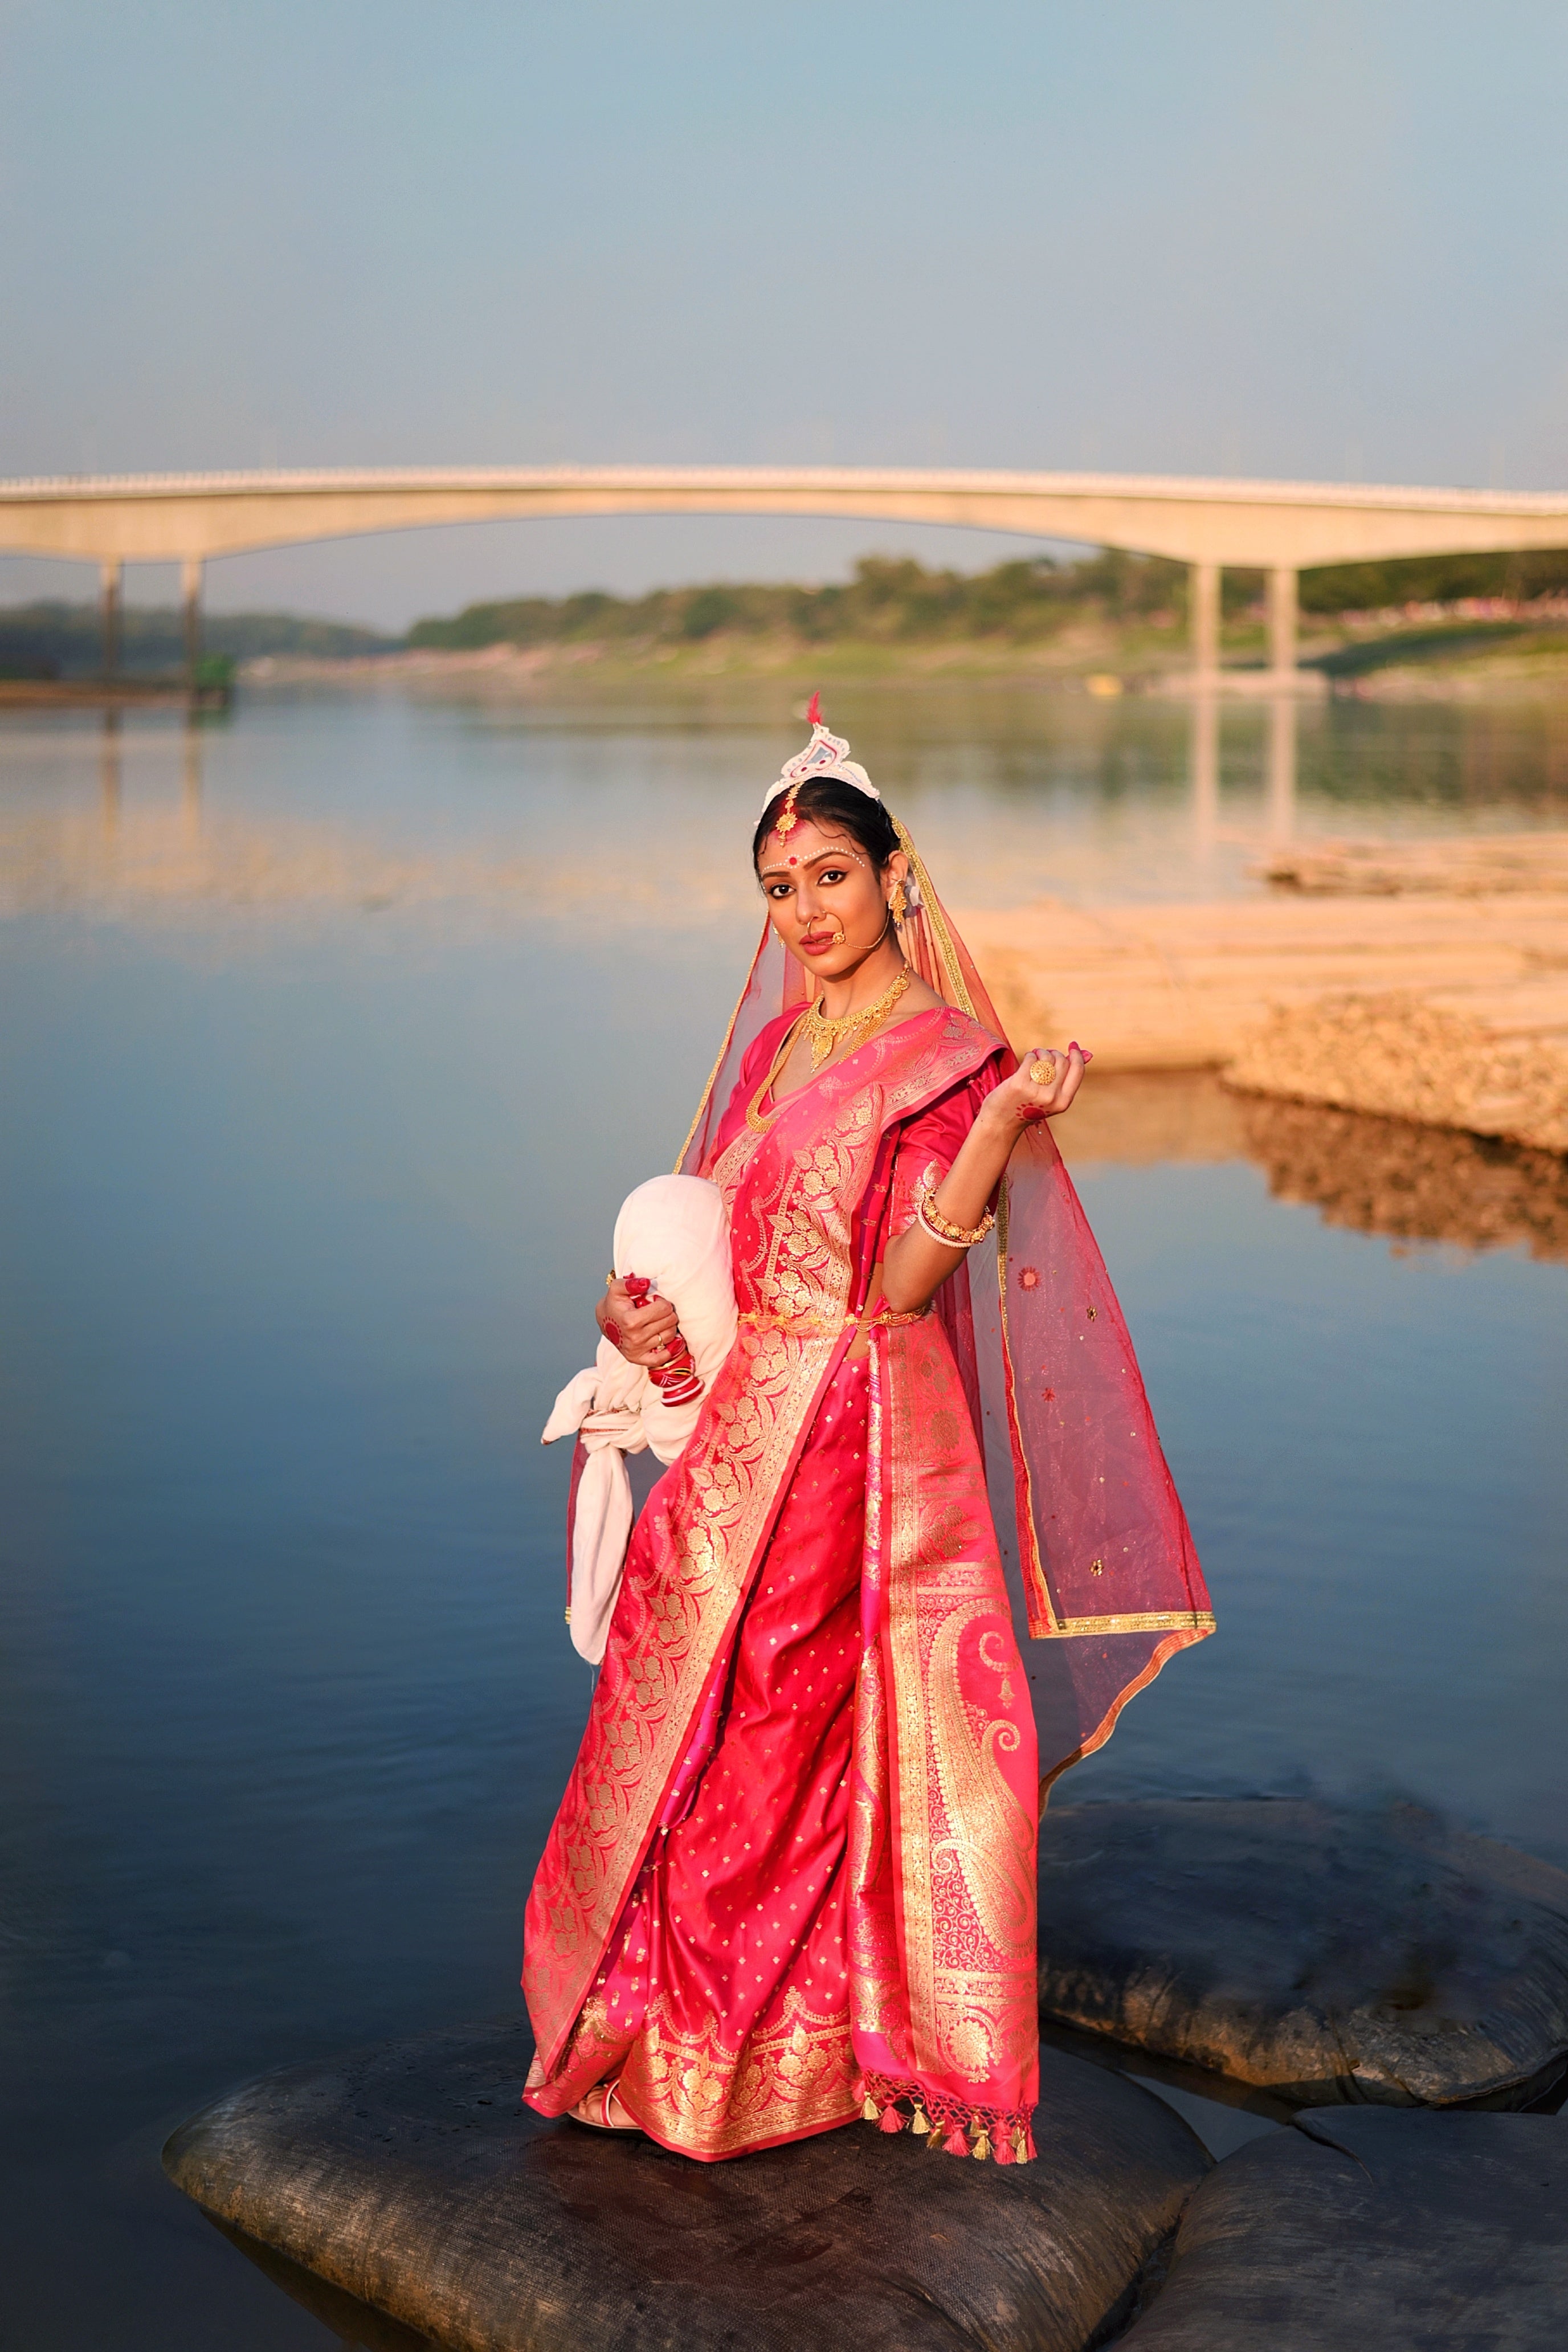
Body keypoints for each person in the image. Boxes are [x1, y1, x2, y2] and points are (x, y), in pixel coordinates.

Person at [522, 700, 1213, 2164]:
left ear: (896, 875)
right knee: (688, 1714)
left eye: (829, 875)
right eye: (780, 888)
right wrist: (636, 1325)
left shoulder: (949, 1055)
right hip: (741, 1426)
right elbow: (717, 1238)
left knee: (784, 1723)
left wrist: (999, 1123)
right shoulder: (782, 1046)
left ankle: (791, 2052)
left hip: (860, 1426)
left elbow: (902, 1283)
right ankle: (660, 2033)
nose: (805, 910)